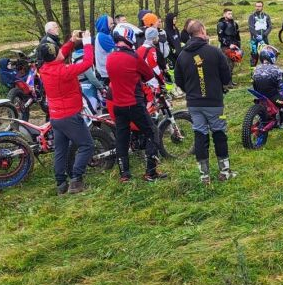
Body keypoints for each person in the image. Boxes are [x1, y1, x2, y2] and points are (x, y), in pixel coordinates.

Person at [174, 20, 235, 183]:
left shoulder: (182, 55)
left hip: (194, 104)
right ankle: (224, 171)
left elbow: (178, 80)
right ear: (201, 31)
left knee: (200, 135)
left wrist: (191, 90)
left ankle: (204, 175)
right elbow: (227, 77)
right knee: (219, 133)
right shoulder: (214, 52)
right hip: (214, 102)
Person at [37, 31, 95, 194]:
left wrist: (72, 41)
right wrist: (87, 42)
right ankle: (76, 180)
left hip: (55, 116)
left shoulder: (44, 69)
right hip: (70, 116)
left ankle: (61, 183)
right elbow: (88, 62)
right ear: (55, 55)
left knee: (60, 150)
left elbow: (61, 53)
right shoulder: (64, 71)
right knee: (87, 145)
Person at [108, 24, 166, 183]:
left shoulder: (110, 57)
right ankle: (151, 172)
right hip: (134, 103)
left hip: (118, 105)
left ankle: (124, 174)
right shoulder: (133, 57)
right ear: (128, 37)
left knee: (122, 138)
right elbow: (148, 75)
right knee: (152, 132)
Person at [247, 1, 272, 66]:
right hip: (254, 40)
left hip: (264, 39)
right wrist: (256, 35)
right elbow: (251, 27)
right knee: (254, 56)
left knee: (265, 55)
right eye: (257, 6)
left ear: (262, 7)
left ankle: (265, 72)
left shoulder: (266, 16)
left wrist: (264, 35)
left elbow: (270, 26)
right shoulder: (251, 16)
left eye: (259, 6)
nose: (257, 8)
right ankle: (252, 72)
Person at [94, 14, 115, 83]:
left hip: (104, 71)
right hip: (105, 73)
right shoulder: (103, 36)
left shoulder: (104, 35)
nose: (113, 25)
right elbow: (115, 51)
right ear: (104, 24)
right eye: (111, 23)